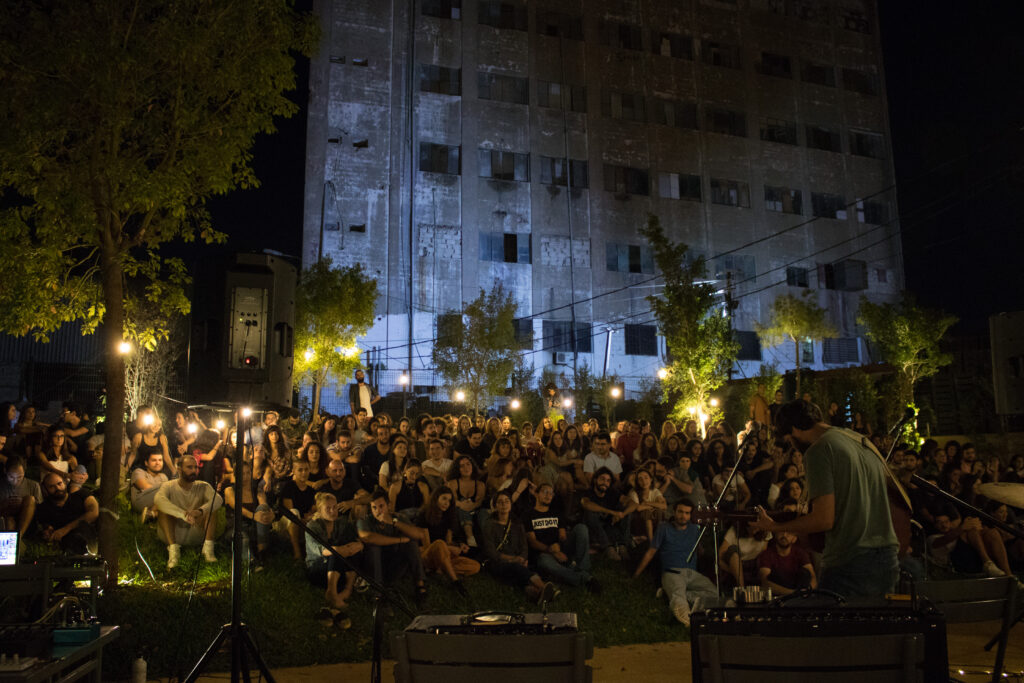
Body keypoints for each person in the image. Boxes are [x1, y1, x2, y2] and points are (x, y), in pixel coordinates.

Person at [752, 399, 899, 600]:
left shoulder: (819, 450)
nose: (793, 445)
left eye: (789, 439)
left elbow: (823, 519)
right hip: (887, 554)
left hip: (851, 560)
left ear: (794, 430)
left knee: (829, 627)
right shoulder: (859, 440)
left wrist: (773, 526)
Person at [634, 499, 717, 626]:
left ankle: (675, 594)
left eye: (687, 513)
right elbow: (651, 552)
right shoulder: (664, 528)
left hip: (691, 573)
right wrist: (636, 575)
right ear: (674, 512)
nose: (683, 516)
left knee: (714, 593)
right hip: (672, 572)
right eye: (680, 512)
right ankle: (689, 622)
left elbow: (700, 550)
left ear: (691, 515)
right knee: (678, 598)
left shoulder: (695, 529)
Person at [478, 490, 557, 604]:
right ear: (495, 506)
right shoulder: (489, 525)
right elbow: (491, 552)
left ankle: (538, 594)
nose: (504, 504)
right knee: (517, 569)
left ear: (511, 504)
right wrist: (511, 559)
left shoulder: (517, 524)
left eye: (507, 501)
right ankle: (545, 588)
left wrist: (522, 558)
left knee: (519, 574)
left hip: (518, 560)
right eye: (500, 502)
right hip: (498, 562)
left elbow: (524, 546)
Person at [356, 489, 428, 605]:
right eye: (374, 508)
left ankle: (420, 586)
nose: (378, 511)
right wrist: (399, 540)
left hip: (394, 565)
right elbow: (368, 538)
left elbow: (419, 535)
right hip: (373, 567)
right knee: (374, 547)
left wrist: (394, 523)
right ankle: (378, 592)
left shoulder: (398, 518)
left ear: (388, 505)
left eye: (381, 506)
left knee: (411, 543)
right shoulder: (365, 521)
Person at [524, 483, 600, 592]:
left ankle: (583, 568)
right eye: (545, 491)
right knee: (545, 562)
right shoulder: (528, 514)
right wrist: (551, 551)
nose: (548, 495)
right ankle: (584, 578)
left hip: (560, 548)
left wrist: (559, 546)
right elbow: (532, 541)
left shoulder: (556, 513)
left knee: (581, 528)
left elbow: (562, 535)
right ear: (536, 494)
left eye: (551, 493)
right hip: (544, 553)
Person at [305, 492, 364, 627]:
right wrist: (341, 550)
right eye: (328, 508)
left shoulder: (342, 523)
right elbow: (319, 550)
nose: (333, 511)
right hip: (318, 569)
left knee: (350, 550)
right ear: (319, 511)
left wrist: (358, 545)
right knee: (335, 552)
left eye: (335, 507)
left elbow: (355, 541)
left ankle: (346, 590)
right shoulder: (312, 526)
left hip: (340, 570)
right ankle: (332, 592)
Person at [154, 456, 223, 568]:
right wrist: (182, 514)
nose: (193, 470)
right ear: (179, 469)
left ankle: (208, 549)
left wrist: (200, 511)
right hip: (173, 531)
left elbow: (218, 499)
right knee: (163, 510)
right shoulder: (168, 486)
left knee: (212, 508)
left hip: (196, 530)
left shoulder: (203, 485)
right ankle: (173, 551)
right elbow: (158, 500)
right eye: (189, 467)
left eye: (195, 467)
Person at [412, 487, 480, 595]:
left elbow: (448, 542)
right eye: (444, 499)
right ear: (436, 498)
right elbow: (427, 545)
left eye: (449, 500)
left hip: (444, 555)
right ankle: (455, 582)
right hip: (426, 554)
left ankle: (439, 570)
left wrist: (459, 545)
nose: (446, 503)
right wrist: (449, 548)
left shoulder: (449, 516)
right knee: (439, 543)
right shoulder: (424, 514)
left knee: (475, 566)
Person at [34, 472, 99, 554]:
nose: (57, 488)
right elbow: (45, 527)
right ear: (45, 490)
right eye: (52, 487)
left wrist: (66, 529)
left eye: (59, 483)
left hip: (86, 536)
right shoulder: (44, 508)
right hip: (66, 543)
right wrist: (48, 532)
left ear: (65, 483)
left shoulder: (82, 494)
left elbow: (94, 512)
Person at [580, 468, 634, 560]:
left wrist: (622, 514)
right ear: (595, 480)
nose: (605, 482)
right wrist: (612, 512)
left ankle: (622, 545)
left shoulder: (612, 492)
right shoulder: (588, 492)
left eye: (608, 481)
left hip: (609, 527)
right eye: (602, 479)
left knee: (627, 511)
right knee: (590, 513)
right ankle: (608, 548)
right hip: (593, 530)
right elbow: (587, 504)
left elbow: (633, 504)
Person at [757, 530, 817, 596]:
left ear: (794, 538)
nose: (784, 535)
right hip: (777, 596)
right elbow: (765, 582)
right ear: (775, 534)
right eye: (781, 531)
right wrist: (793, 593)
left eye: (789, 532)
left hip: (800, 594)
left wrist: (807, 591)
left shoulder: (800, 553)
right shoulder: (767, 554)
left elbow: (812, 576)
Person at [282, 459, 317, 560]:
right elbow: (289, 510)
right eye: (300, 470)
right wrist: (303, 520)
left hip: (304, 522)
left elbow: (313, 509)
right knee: (294, 513)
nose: (304, 473)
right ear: (294, 471)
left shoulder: (311, 490)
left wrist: (310, 516)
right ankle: (297, 554)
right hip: (288, 523)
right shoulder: (289, 486)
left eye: (306, 469)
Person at [0, 457, 41, 535]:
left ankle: (19, 536)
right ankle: (14, 541)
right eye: (11, 477)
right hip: (6, 517)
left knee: (30, 499)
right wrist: (5, 504)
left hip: (28, 520)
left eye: (19, 477)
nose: (15, 481)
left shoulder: (33, 485)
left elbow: (40, 509)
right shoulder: (1, 485)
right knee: (9, 521)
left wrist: (24, 504)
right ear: (5, 471)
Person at [131, 450, 169, 520]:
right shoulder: (139, 472)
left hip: (158, 502)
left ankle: (151, 514)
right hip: (141, 501)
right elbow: (145, 487)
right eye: (154, 460)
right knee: (169, 487)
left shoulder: (163, 476)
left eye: (160, 460)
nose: (158, 463)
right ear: (146, 463)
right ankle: (153, 512)